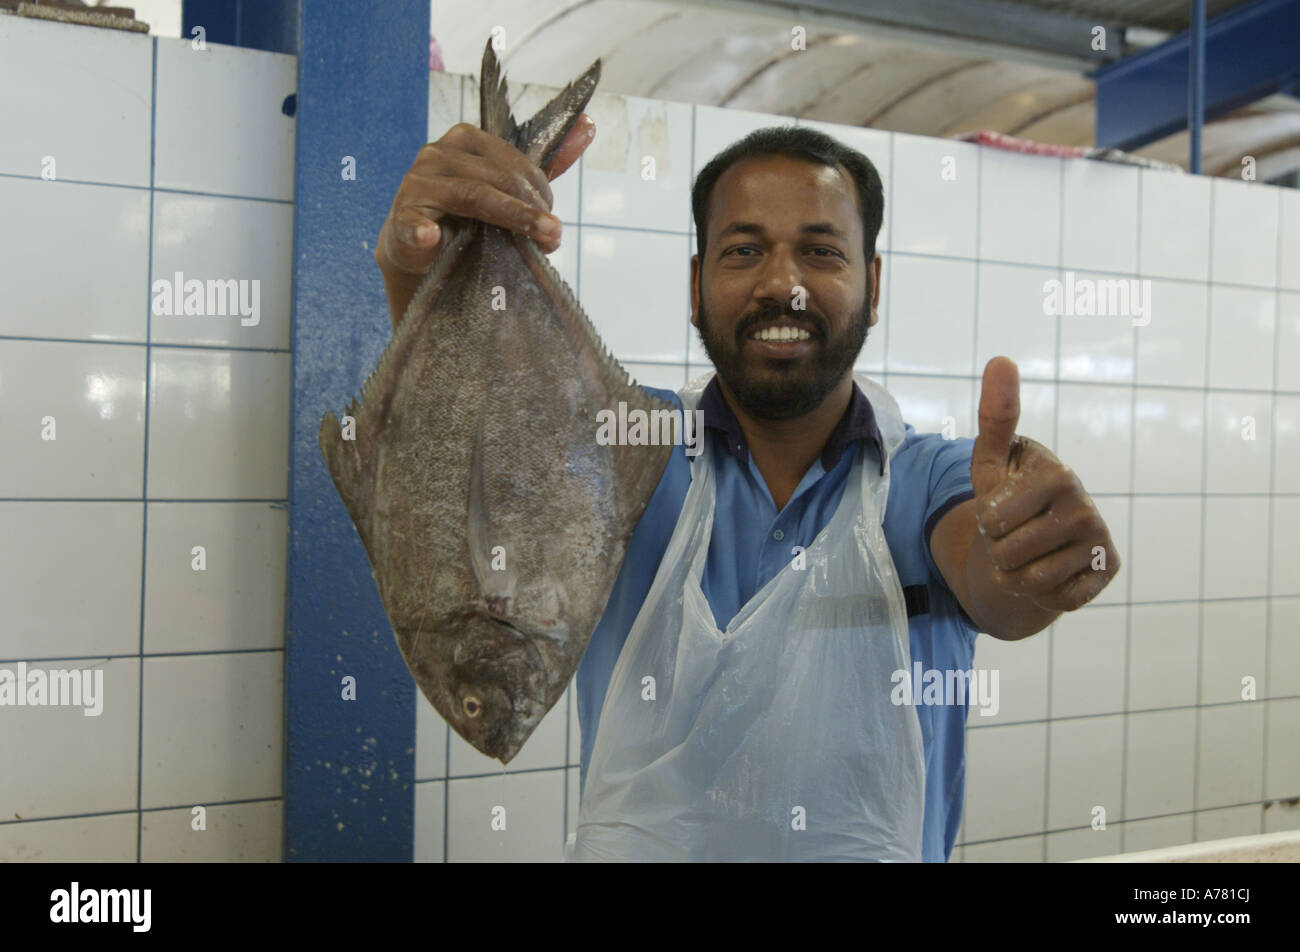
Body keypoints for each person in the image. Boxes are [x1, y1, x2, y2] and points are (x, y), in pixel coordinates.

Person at [374, 116, 1120, 862]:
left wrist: (1037, 558)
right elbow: (470, 431)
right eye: (744, 251)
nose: (782, 285)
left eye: (822, 252)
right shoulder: (626, 453)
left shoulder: (931, 479)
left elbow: (996, 584)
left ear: (873, 282)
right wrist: (416, 269)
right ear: (696, 287)